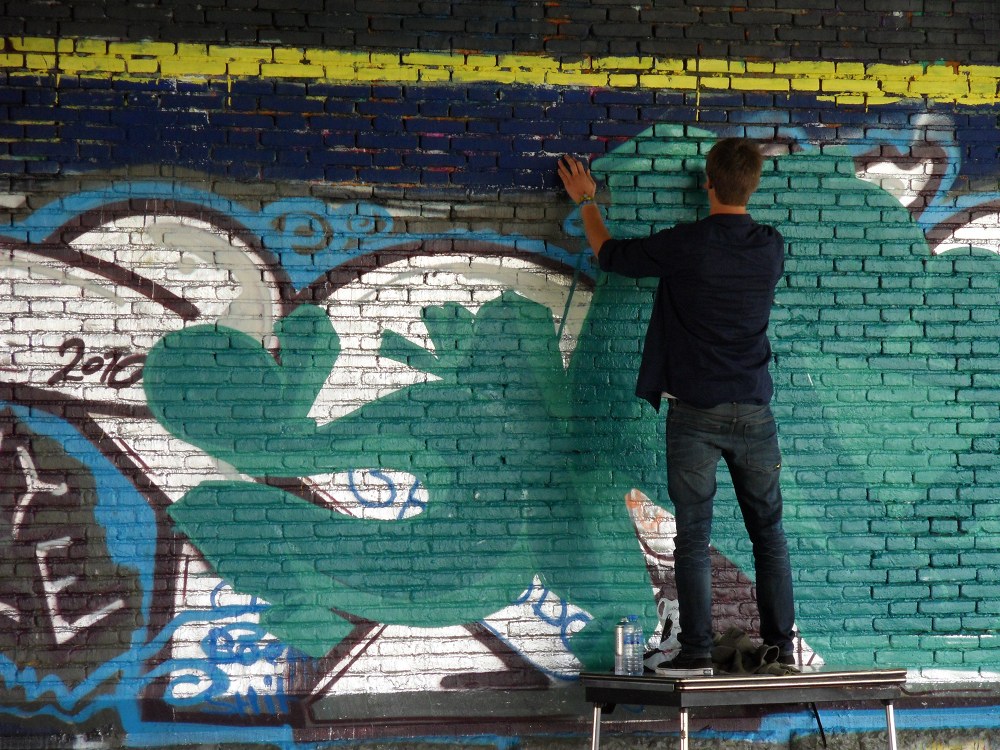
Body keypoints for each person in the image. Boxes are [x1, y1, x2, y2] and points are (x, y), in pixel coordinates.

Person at [557, 138, 795, 676]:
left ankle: (696, 653)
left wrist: (587, 200)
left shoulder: (688, 244)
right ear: (753, 185)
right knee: (769, 536)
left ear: (707, 182)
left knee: (693, 538)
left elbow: (611, 256)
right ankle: (781, 651)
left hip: (695, 416)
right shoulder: (770, 247)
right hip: (755, 413)